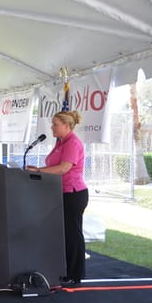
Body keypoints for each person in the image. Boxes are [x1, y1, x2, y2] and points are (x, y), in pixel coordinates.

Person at [27, 110, 88, 284]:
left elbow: (63, 168)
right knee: (62, 234)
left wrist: (38, 171)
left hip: (73, 194)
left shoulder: (73, 143)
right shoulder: (61, 142)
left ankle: (74, 274)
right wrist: (37, 169)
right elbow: (53, 166)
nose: (52, 127)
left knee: (72, 234)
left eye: (55, 124)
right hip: (59, 193)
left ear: (67, 126)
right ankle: (62, 269)